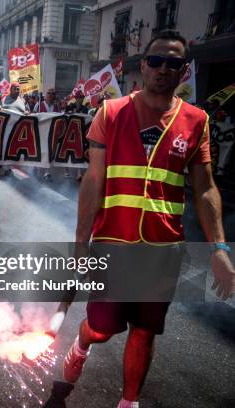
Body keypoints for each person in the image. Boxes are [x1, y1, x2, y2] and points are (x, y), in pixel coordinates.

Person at [57, 30, 235, 408]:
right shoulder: (111, 112)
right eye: (156, 61)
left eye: (173, 63)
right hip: (113, 245)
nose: (163, 69)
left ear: (183, 70)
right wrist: (79, 245)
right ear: (143, 66)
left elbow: (204, 188)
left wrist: (219, 247)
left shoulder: (197, 120)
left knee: (144, 331)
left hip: (163, 249)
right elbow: (93, 180)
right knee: (103, 329)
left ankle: (129, 402)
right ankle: (83, 341)